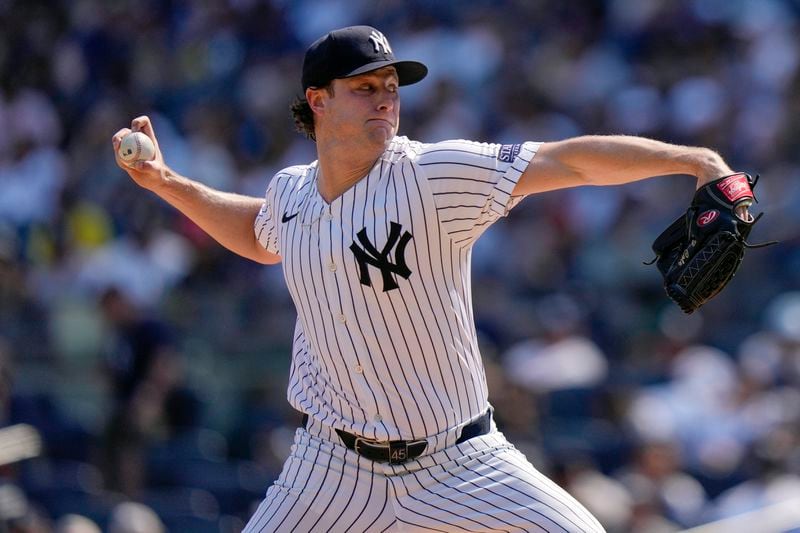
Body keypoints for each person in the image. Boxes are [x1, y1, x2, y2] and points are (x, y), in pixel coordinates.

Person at [112, 25, 740, 532]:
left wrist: (694, 161)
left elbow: (564, 160)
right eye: (365, 86)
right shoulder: (292, 196)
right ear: (318, 100)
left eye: (392, 85)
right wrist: (167, 184)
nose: (386, 97)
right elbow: (257, 234)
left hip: (459, 460)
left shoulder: (431, 176)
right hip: (331, 468)